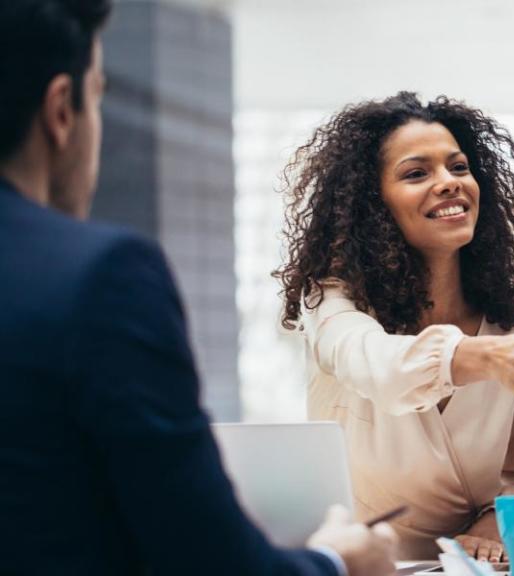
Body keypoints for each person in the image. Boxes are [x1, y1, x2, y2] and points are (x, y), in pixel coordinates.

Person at [0, 1, 397, 574]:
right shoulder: (100, 276)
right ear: (62, 110)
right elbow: (209, 560)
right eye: (99, 96)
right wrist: (338, 560)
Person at [275, 92, 514, 560]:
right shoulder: (332, 299)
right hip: (360, 562)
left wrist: (496, 518)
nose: (448, 183)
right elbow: (378, 368)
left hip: (469, 567)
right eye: (417, 173)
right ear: (372, 203)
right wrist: (472, 357)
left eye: (458, 168)